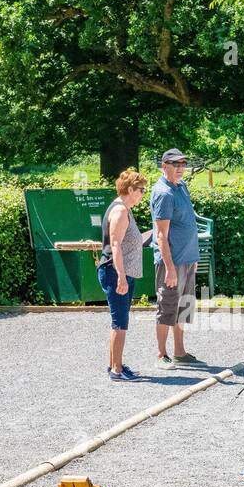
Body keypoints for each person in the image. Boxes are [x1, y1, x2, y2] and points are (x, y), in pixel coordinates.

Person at [98, 169, 152, 381]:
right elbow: (115, 245)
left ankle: (115, 364)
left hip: (121, 272)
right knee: (120, 322)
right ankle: (116, 370)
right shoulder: (120, 211)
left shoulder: (124, 209)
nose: (142, 194)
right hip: (115, 271)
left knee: (119, 321)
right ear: (130, 189)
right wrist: (121, 276)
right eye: (141, 190)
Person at [151, 148, 201, 370]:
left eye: (183, 163)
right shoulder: (163, 193)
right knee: (167, 306)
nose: (180, 167)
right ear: (164, 166)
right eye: (175, 164)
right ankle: (162, 354)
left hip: (187, 258)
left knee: (184, 306)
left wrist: (193, 257)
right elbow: (161, 235)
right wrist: (170, 268)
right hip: (172, 262)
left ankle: (179, 351)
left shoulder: (181, 186)